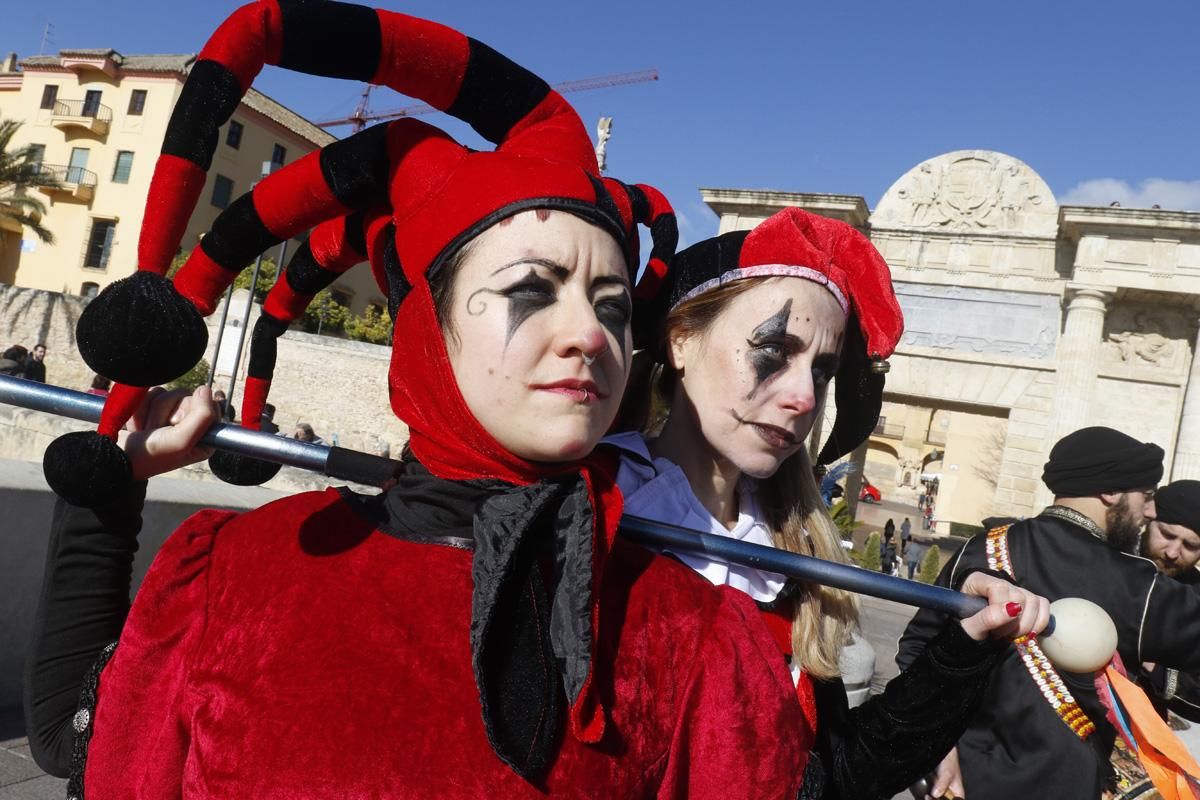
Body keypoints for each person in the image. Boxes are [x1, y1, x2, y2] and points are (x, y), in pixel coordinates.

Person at [27, 4, 806, 797]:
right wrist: (113, 492)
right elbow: (73, 741)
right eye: (532, 290)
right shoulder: (236, 571)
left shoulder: (691, 641)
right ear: (430, 333)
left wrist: (939, 659)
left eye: (611, 305)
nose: (590, 334)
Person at [608, 207, 1051, 799]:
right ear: (682, 339)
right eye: (773, 349)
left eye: (821, 371)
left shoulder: (793, 553)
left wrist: (966, 644)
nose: (801, 397)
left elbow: (836, 774)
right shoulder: (581, 502)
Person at [898, 426, 1200, 800]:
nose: (1149, 511)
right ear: (1110, 492)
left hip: (960, 780)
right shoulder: (1136, 585)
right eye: (1146, 495)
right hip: (1059, 782)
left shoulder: (980, 548)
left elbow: (915, 648)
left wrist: (938, 748)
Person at [1137, 479, 1200, 723]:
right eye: (1167, 535)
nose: (1172, 552)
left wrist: (1156, 668)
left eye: (1190, 546)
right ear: (1149, 520)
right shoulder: (1106, 557)